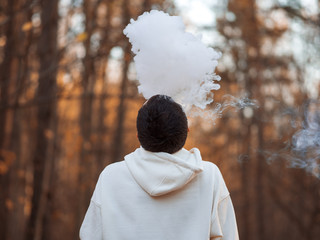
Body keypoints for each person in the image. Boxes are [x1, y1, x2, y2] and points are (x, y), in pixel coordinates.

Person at [80, 94, 239, 240]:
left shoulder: (110, 177)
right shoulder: (209, 176)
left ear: (138, 136)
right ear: (187, 131)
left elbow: (89, 235)